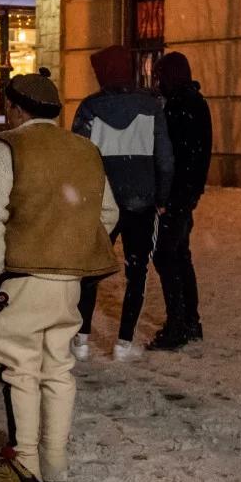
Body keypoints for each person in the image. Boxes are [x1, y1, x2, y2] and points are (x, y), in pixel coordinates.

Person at [0, 72, 119, 482]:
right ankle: (55, 459)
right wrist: (71, 249)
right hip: (69, 282)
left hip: (23, 276)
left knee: (19, 369)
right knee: (59, 368)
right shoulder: (84, 149)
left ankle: (24, 462)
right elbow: (107, 213)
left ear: (17, 107)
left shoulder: (9, 147)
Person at [71, 45, 174, 362]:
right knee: (137, 271)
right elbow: (165, 159)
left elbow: (77, 155)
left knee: (89, 269)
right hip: (141, 201)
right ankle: (124, 343)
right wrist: (162, 196)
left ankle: (82, 338)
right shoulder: (151, 107)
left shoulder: (89, 108)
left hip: (100, 202)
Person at [147, 52, 211, 351]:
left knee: (166, 256)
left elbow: (174, 156)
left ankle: (178, 325)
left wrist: (170, 196)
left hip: (176, 194)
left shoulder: (180, 107)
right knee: (179, 255)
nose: (156, 83)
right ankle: (189, 320)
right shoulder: (193, 103)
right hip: (185, 193)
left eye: (159, 77)